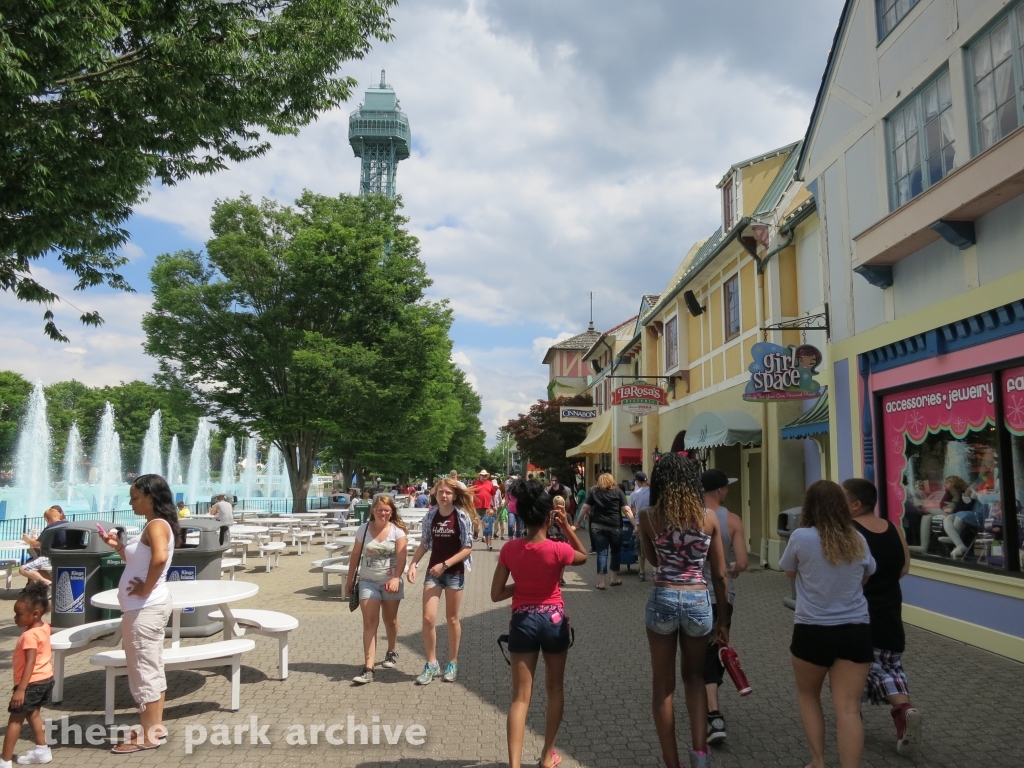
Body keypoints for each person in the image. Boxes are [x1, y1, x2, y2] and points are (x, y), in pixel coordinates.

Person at [637, 453, 729, 768]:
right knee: (694, 678)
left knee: (663, 686)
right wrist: (723, 620)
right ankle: (700, 757)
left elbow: (652, 561)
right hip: (698, 601)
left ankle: (672, 762)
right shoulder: (709, 517)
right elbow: (719, 575)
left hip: (662, 598)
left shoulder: (648, 516)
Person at [491, 479, 587, 768]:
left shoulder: (509, 550)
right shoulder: (558, 550)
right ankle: (547, 756)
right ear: (549, 516)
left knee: (520, 698)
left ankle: (514, 764)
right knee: (554, 689)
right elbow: (582, 557)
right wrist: (567, 526)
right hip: (554, 620)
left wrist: (522, 587)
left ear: (521, 516)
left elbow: (495, 594)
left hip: (522, 621)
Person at [780, 480, 876, 768]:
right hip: (855, 629)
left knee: (809, 696)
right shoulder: (856, 537)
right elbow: (867, 574)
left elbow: (788, 571)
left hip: (812, 629)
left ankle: (818, 761)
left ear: (809, 505)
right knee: (848, 708)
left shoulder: (800, 537)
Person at [98, 474, 178, 754]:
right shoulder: (156, 524)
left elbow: (158, 558)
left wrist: (145, 587)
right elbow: (140, 560)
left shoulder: (156, 525)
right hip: (147, 608)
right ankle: (154, 728)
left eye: (135, 497)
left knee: (143, 672)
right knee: (152, 667)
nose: (131, 502)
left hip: (144, 610)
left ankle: (148, 736)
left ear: (150, 498)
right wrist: (118, 547)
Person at [843, 478, 922, 756]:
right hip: (891, 608)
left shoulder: (850, 532)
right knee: (890, 665)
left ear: (855, 504)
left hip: (860, 612)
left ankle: (851, 723)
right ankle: (904, 709)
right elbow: (904, 567)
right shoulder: (892, 528)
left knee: (853, 669)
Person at [407, 478, 474, 685]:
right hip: (433, 573)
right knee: (428, 618)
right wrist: (413, 564)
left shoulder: (461, 517)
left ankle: (452, 662)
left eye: (447, 493)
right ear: (434, 494)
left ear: (454, 495)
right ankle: (431, 662)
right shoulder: (431, 515)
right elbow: (425, 543)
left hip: (454, 572)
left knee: (452, 618)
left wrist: (445, 565)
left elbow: (467, 547)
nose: (443, 496)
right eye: (440, 493)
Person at [699, 469, 747, 746]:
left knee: (701, 650)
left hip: (696, 593)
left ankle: (710, 708)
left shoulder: (692, 516)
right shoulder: (732, 520)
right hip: (724, 596)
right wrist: (727, 568)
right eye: (726, 487)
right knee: (718, 646)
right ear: (719, 490)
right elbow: (741, 563)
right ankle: (713, 711)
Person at [346, 495, 409, 685]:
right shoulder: (363, 529)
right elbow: (355, 555)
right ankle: (368, 668)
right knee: (369, 623)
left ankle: (391, 650)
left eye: (387, 510)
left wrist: (397, 578)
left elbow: (402, 557)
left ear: (392, 512)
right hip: (368, 582)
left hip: (390, 583)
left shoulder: (397, 532)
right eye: (380, 509)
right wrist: (349, 580)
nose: (383, 513)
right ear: (373, 510)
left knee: (390, 621)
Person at [1, 582, 54, 768]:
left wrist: (20, 690)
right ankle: (42, 751)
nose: (15, 617)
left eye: (19, 614)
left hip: (30, 683)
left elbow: (30, 662)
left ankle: (5, 760)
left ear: (35, 614)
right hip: (45, 679)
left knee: (15, 720)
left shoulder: (29, 636)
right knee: (33, 714)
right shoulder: (44, 627)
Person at [575, 473, 636, 589]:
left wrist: (577, 522)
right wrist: (635, 525)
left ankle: (602, 583)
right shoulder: (618, 492)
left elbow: (585, 507)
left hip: (598, 526)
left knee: (602, 553)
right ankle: (614, 579)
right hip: (615, 527)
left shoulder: (594, 491)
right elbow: (626, 510)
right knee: (616, 552)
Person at [19, 506, 68, 586]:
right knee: (37, 567)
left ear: (47, 519)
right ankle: (56, 586)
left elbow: (35, 544)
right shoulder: (68, 524)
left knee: (23, 569)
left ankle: (51, 585)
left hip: (52, 558)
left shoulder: (51, 528)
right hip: (67, 558)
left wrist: (26, 538)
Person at [939, 476, 980, 558]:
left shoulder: (964, 493)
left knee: (954, 517)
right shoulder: (949, 493)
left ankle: (954, 539)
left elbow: (964, 506)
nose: (945, 484)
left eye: (948, 482)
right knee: (948, 518)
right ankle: (956, 540)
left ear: (954, 483)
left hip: (967, 515)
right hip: (959, 513)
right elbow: (942, 504)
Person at [629, 472, 651, 581]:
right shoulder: (653, 492)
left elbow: (630, 509)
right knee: (655, 548)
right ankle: (656, 571)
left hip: (640, 523)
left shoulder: (635, 494)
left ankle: (642, 572)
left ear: (637, 481)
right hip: (653, 523)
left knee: (641, 550)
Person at [470, 470, 496, 540]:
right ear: (480, 476)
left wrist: (495, 505)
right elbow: (472, 494)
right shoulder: (475, 483)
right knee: (477, 523)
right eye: (482, 475)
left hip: (487, 506)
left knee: (485, 522)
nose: (483, 477)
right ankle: (476, 531)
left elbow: (493, 495)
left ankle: (484, 536)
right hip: (476, 506)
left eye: (485, 476)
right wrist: (471, 504)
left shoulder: (490, 484)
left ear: (487, 476)